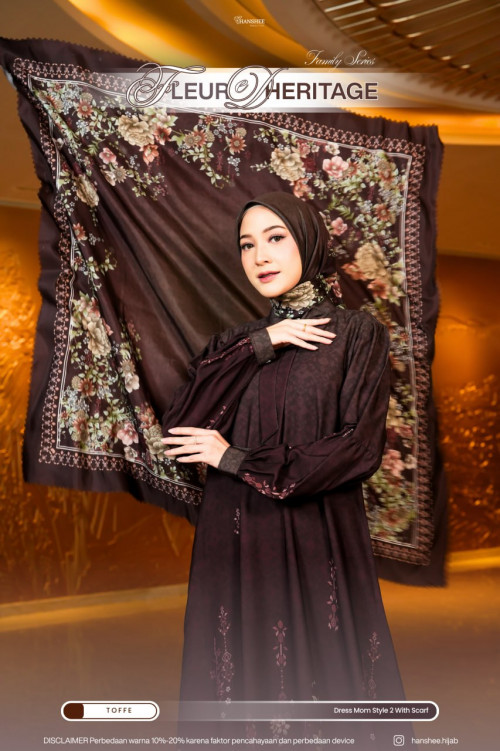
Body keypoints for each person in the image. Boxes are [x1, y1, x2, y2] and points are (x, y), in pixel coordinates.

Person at [161, 192, 410, 748]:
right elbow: (180, 429)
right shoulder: (233, 346)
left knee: (322, 674)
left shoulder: (356, 334)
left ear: (309, 241)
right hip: (234, 534)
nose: (260, 256)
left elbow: (357, 448)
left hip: (316, 531)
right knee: (239, 675)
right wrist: (261, 343)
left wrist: (234, 457)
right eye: (247, 244)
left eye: (276, 238)